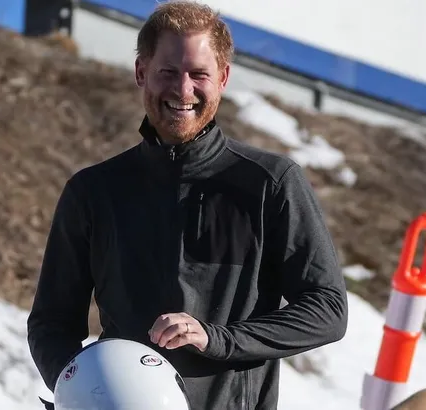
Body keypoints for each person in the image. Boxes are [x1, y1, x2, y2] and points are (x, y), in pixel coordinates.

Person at [27, 1, 348, 409]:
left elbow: (327, 308)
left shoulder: (269, 184)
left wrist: (218, 339)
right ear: (141, 72)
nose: (182, 90)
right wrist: (82, 391)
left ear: (223, 78)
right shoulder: (94, 192)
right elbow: (50, 323)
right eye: (168, 72)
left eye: (198, 74)